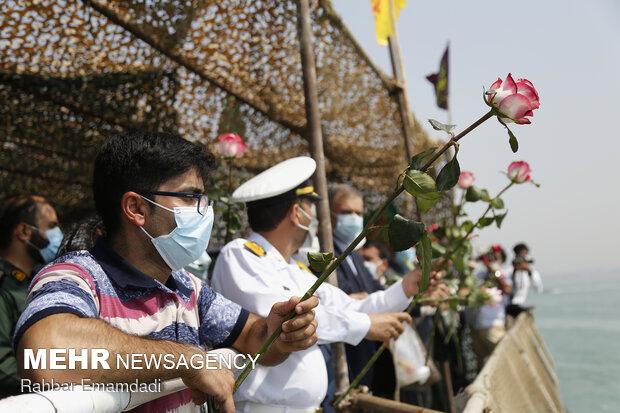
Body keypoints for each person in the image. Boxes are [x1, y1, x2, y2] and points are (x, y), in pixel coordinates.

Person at [12, 132, 319, 413]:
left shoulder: (186, 287)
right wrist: (186, 359)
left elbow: (256, 340)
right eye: (190, 196)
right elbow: (45, 353)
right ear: (137, 208)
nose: (204, 210)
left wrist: (280, 333)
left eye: (203, 197)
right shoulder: (76, 276)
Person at [211, 157, 424, 412]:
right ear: (296, 213)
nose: (314, 217)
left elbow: (351, 308)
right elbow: (292, 320)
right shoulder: (241, 255)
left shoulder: (295, 268)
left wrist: (406, 288)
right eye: (310, 207)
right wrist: (366, 326)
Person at [0, 195, 63, 398]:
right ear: (24, 232)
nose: (58, 235)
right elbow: (2, 366)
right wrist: (55, 383)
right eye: (51, 226)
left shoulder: (35, 283)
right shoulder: (4, 286)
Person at [468, 244, 513, 369]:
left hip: (495, 324)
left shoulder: (505, 273)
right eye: (491, 257)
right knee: (481, 363)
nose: (493, 260)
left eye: (496, 257)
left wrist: (494, 271)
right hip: (477, 325)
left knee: (500, 360)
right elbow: (469, 289)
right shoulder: (480, 274)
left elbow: (507, 289)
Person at [506, 243, 543, 317]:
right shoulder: (509, 271)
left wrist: (529, 272)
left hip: (524, 308)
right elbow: (507, 289)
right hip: (511, 308)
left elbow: (538, 289)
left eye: (524, 255)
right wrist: (515, 271)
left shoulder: (531, 272)